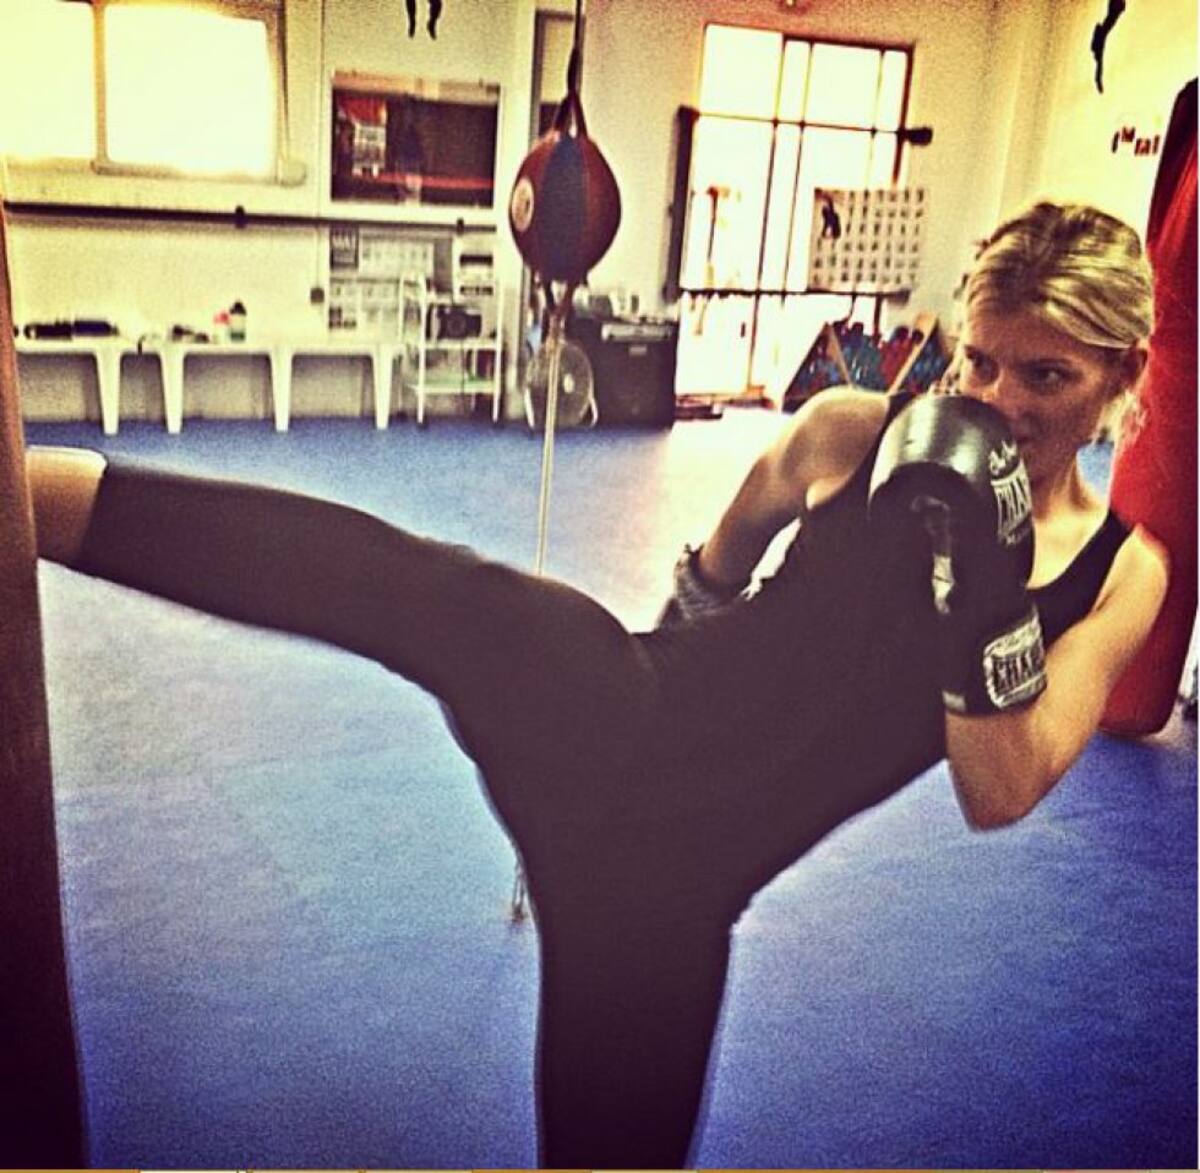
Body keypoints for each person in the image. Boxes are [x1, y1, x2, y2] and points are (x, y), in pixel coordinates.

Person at [26, 201, 1167, 1168]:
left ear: (1125, 375)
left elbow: (999, 788)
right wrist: (626, 727)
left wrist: (979, 582)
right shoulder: (851, 433)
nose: (997, 400)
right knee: (428, 590)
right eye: (979, 360)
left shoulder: (1122, 577)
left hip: (675, 898)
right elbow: (713, 575)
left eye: (1046, 375)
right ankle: (31, 491)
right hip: (613, 713)